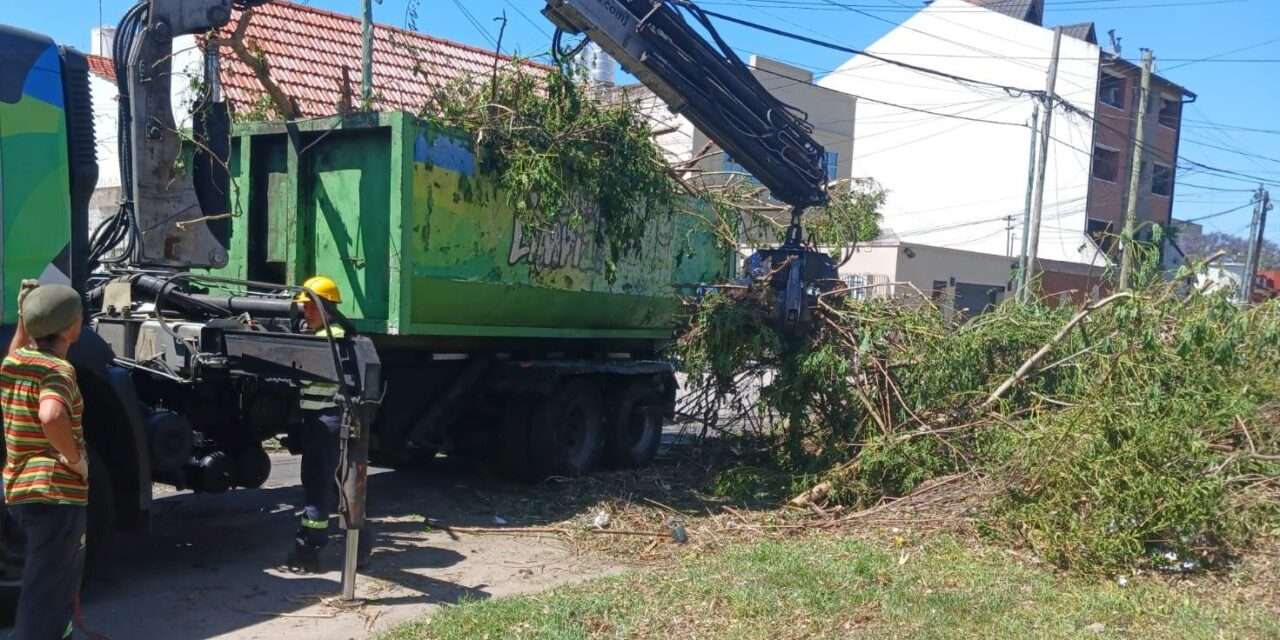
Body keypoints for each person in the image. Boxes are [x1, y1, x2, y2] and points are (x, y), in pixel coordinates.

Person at [2, 283, 87, 640]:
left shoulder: (15, 364)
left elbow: (16, 349)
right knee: (46, 592)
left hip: (21, 493)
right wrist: (75, 459)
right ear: (71, 328)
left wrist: (23, 317)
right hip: (56, 495)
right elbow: (51, 415)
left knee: (51, 585)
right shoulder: (58, 371)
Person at [287, 275, 351, 573]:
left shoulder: (330, 339)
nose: (305, 313)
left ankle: (308, 550)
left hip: (325, 422)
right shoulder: (327, 335)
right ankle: (359, 546)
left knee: (318, 484)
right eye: (303, 307)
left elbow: (302, 372)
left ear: (326, 307)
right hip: (321, 421)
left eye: (310, 307)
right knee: (333, 486)